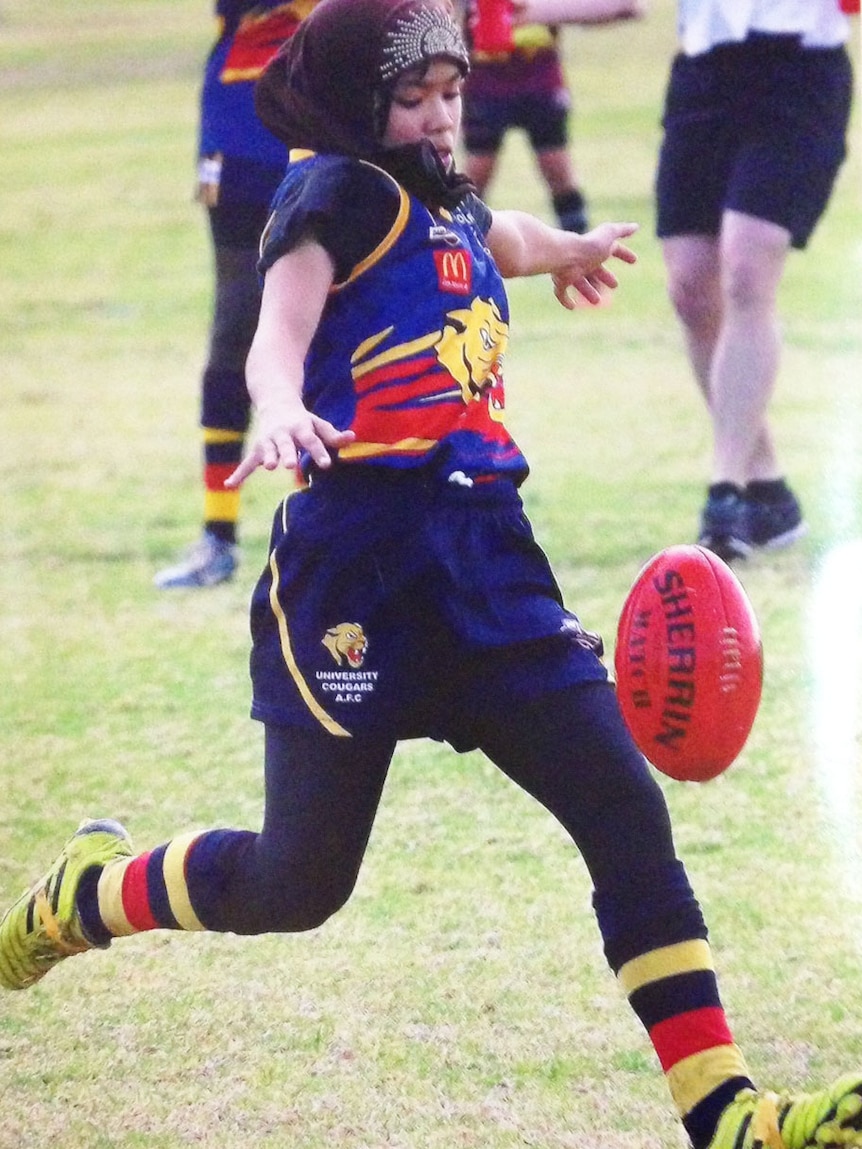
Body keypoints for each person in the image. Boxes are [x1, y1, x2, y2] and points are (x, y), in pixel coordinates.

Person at [2, 5, 861, 1149]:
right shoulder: (332, 196)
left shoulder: (442, 194)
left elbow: (486, 232)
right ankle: (88, 895)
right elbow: (279, 327)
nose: (441, 113)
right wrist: (277, 402)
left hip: (488, 567)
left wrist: (563, 251)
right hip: (357, 573)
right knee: (295, 883)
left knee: (622, 810)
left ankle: (727, 1114)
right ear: (361, 105)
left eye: (451, 90)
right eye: (414, 98)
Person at [656, 0, 854, 562]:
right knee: (692, 290)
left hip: (799, 75)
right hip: (703, 77)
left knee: (746, 274)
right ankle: (767, 488)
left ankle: (726, 495)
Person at [155, 0, 317, 590]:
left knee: (325, 331)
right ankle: (217, 537)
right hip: (238, 137)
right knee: (235, 329)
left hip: (321, 130)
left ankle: (320, 530)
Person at [459, 0, 643, 232]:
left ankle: (582, 254)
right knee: (476, 174)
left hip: (540, 81)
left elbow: (625, 8)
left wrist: (542, 12)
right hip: (485, 83)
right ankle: (459, 247)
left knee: (558, 171)